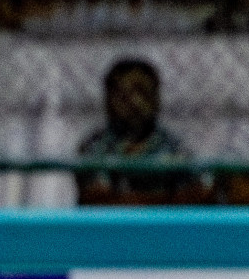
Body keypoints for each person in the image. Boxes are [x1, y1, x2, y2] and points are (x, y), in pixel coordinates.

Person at [76, 59, 207, 205]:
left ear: (157, 99)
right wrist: (168, 201)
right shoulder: (96, 145)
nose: (136, 103)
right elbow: (101, 201)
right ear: (108, 100)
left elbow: (198, 195)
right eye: (125, 95)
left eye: (143, 93)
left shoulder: (172, 145)